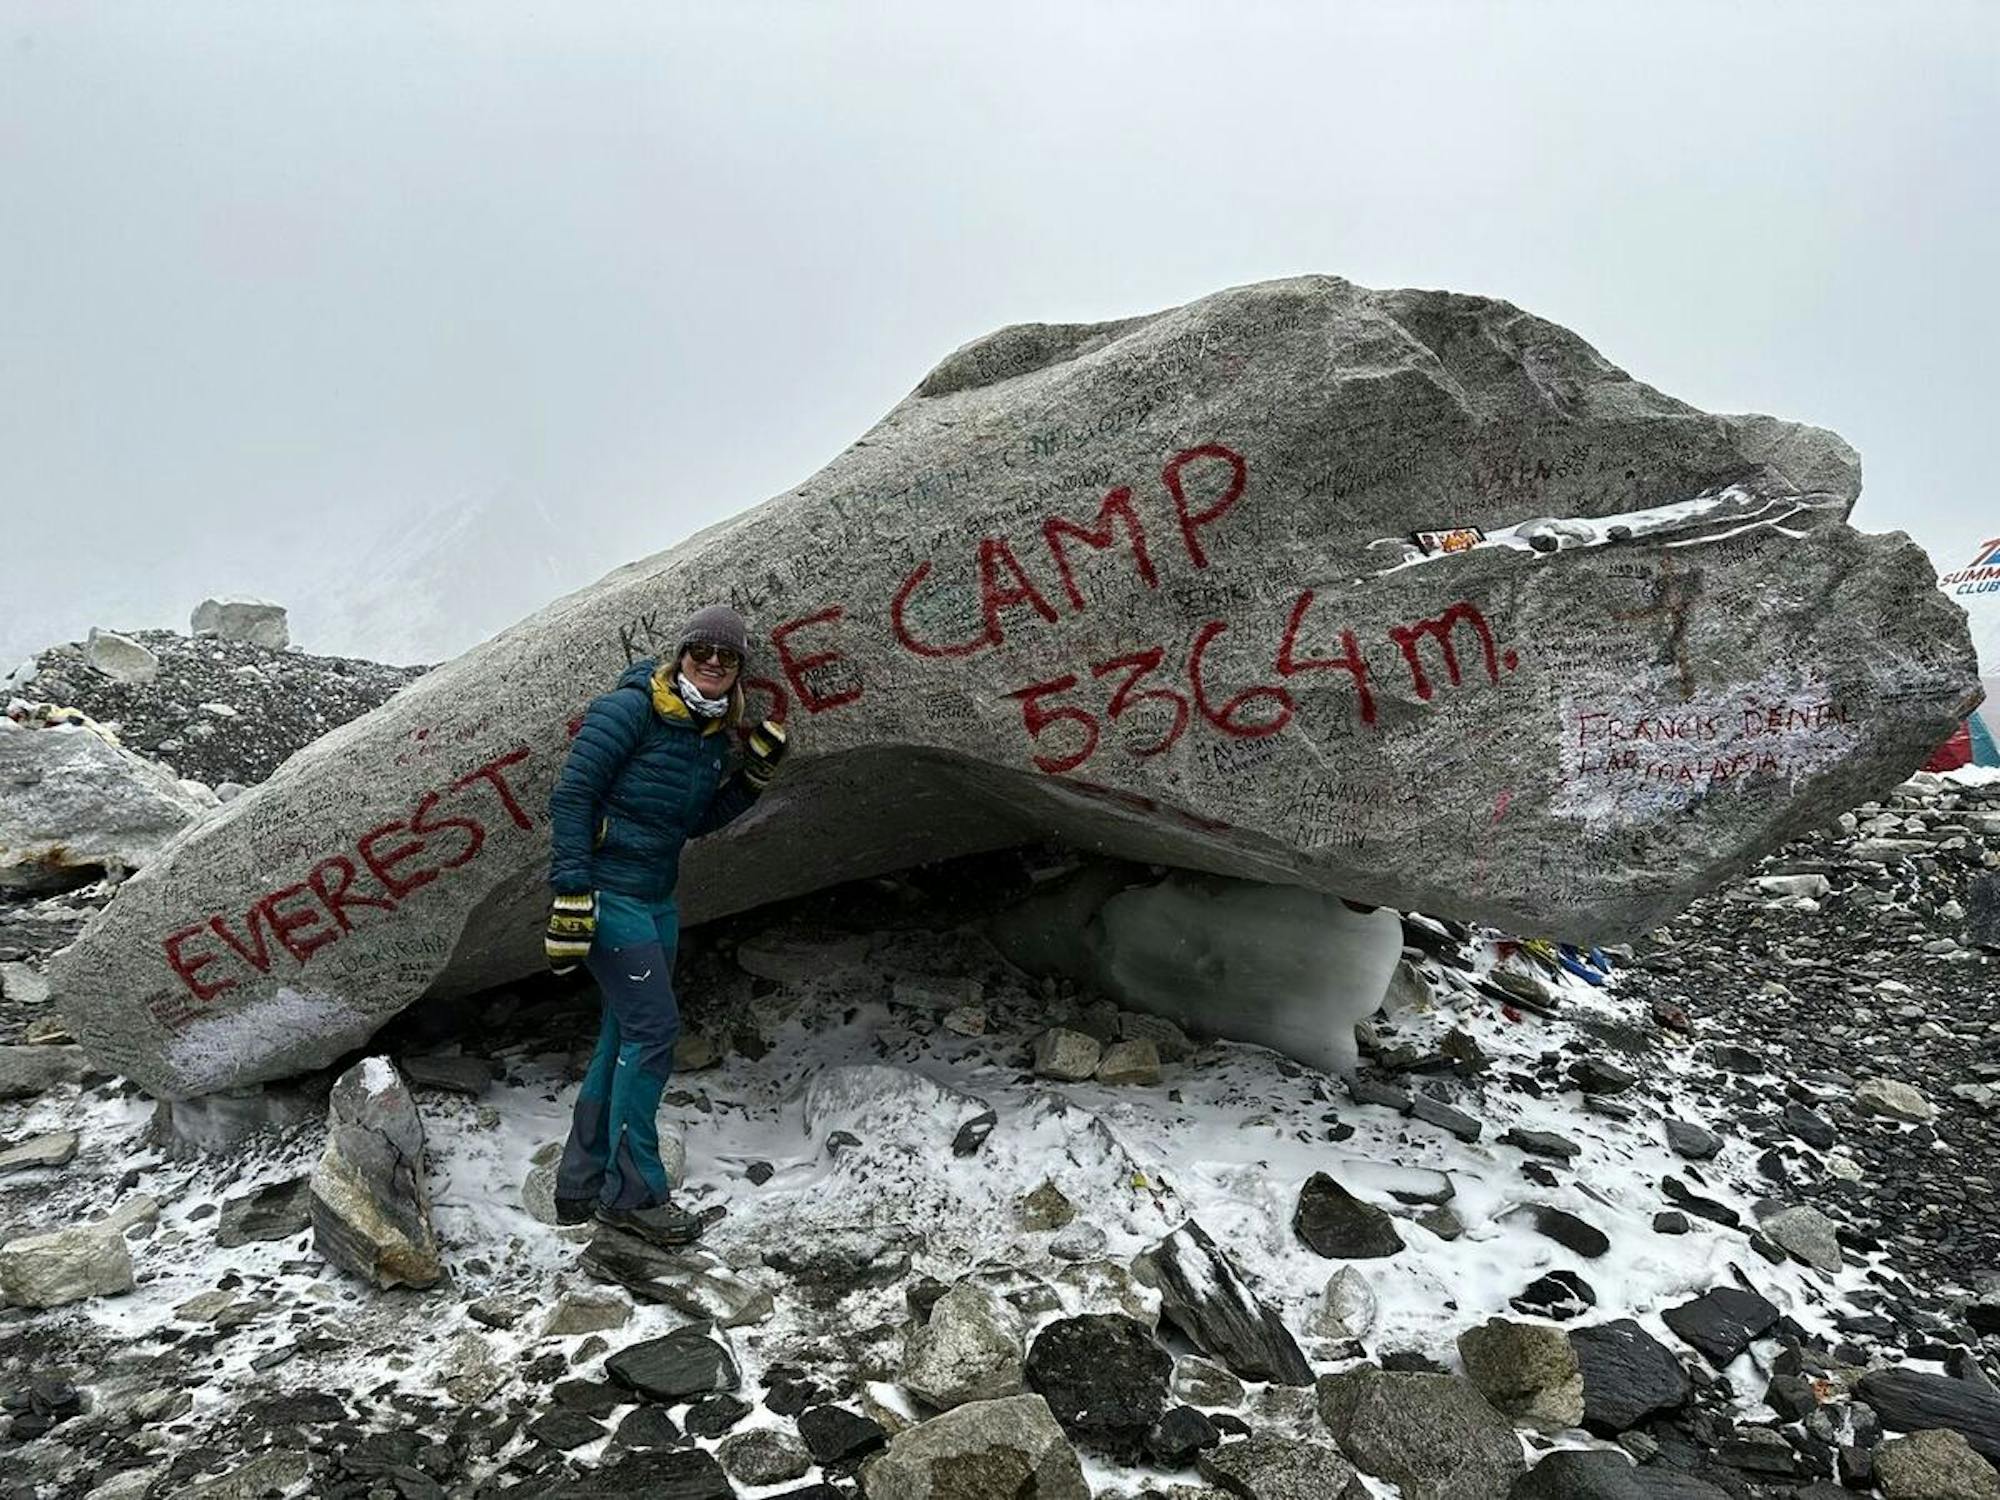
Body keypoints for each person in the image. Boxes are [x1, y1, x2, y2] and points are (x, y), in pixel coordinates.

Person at [543, 604, 788, 1246]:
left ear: (738, 671)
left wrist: (752, 777)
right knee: (653, 1033)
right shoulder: (629, 710)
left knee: (623, 1032)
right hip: (609, 896)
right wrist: (572, 894)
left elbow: (694, 821)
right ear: (680, 655)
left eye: (727, 657)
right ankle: (635, 1197)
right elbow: (572, 797)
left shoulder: (709, 736)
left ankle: (579, 1186)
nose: (713, 663)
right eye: (701, 651)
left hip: (656, 899)